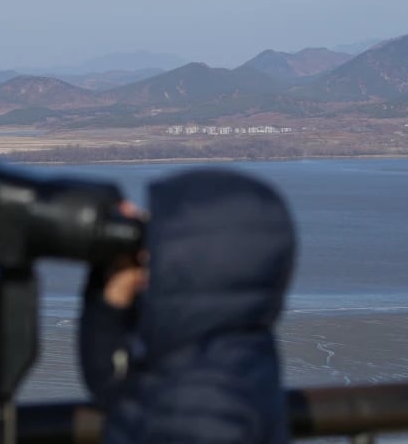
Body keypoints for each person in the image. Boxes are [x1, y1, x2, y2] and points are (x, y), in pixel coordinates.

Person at [80, 168, 297, 443]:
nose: (147, 250)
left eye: (159, 236)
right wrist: (110, 293)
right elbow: (114, 385)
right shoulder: (224, 349)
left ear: (193, 262)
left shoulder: (204, 400)